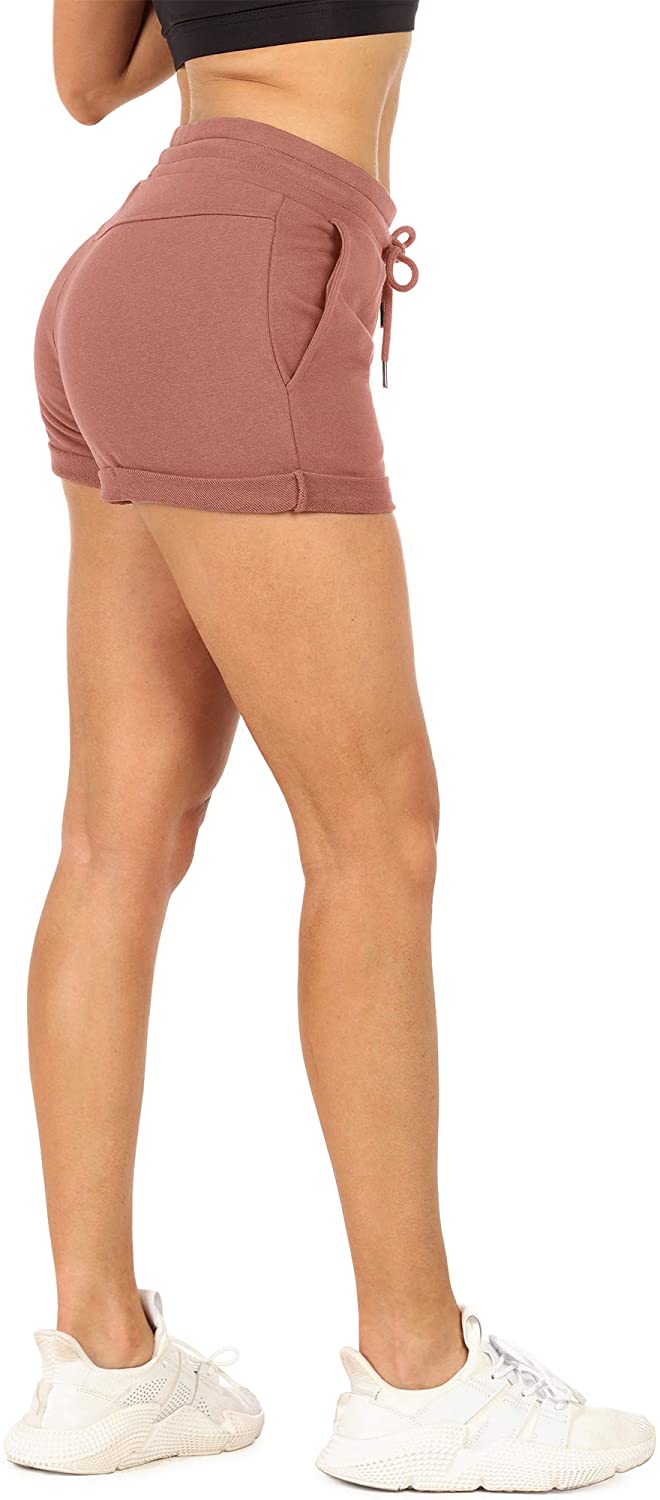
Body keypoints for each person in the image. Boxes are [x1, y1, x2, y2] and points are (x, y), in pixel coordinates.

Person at [4, 1, 654, 1488]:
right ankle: (420, 1377)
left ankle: (104, 1368)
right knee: (377, 833)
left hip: (128, 276)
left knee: (113, 839)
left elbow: (87, 80)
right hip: (253, 272)